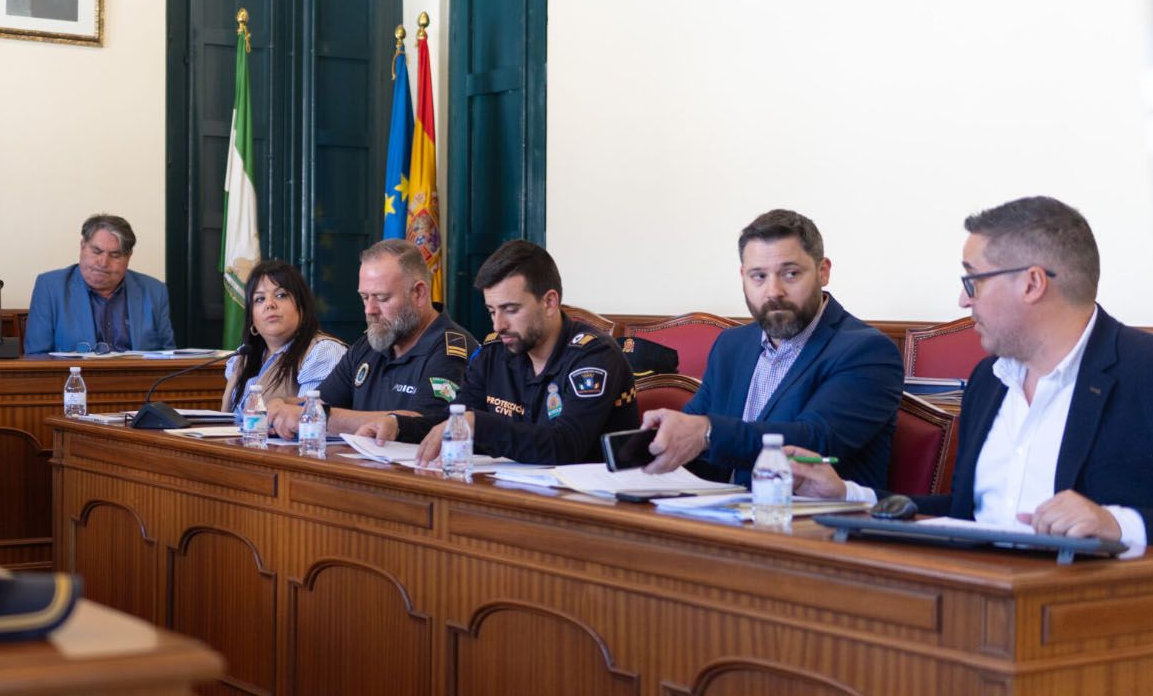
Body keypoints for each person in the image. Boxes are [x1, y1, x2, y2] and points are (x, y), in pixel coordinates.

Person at [791, 196, 1153, 551]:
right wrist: (849, 496)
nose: (964, 301)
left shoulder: (1142, 371)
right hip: (974, 597)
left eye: (973, 281)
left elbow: (1120, 521)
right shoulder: (989, 380)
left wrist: (1119, 524)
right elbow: (971, 517)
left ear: (1032, 284)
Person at [641, 208, 902, 491]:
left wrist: (707, 433)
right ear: (743, 276)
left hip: (813, 525)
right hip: (719, 517)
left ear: (823, 271)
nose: (773, 291)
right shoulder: (731, 345)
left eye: (790, 274)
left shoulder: (868, 351)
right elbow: (693, 426)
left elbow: (813, 440)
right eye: (759, 276)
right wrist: (655, 443)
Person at [380, 239, 639, 464]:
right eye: (492, 311)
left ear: (549, 302)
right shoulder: (495, 352)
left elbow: (565, 446)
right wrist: (399, 426)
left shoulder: (594, 357)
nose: (498, 325)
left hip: (592, 507)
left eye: (511, 309)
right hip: (514, 496)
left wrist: (480, 426)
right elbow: (454, 419)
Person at [269, 239, 473, 440]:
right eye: (364, 297)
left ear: (418, 293)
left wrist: (319, 417)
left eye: (382, 298)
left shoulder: (450, 349)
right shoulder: (371, 344)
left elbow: (426, 423)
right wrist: (281, 404)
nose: (369, 310)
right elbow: (320, 401)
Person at [24, 213, 176, 353]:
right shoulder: (50, 287)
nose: (103, 263)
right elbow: (37, 356)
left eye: (115, 255)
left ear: (128, 256)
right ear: (82, 246)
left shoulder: (154, 291)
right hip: (75, 380)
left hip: (138, 381)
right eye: (96, 252)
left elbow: (168, 357)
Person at [220, 260, 345, 412]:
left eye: (281, 295)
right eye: (259, 299)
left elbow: (309, 421)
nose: (270, 304)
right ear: (251, 318)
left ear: (302, 307)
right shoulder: (243, 357)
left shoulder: (323, 352)